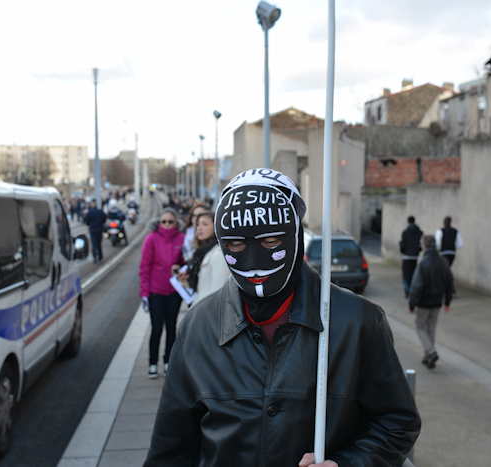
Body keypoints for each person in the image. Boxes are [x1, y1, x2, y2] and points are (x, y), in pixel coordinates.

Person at [144, 168, 420, 467]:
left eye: (271, 242)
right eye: (236, 244)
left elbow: (397, 421)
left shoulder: (358, 321)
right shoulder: (199, 327)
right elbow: (170, 449)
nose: (253, 262)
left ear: (296, 237)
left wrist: (349, 463)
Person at [139, 208, 185, 379]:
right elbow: (144, 267)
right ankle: (152, 363)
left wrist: (180, 268)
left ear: (176, 223)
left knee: (172, 327)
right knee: (157, 328)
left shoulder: (181, 239)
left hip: (174, 291)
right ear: (159, 223)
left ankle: (168, 361)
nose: (166, 225)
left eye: (170, 222)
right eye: (163, 222)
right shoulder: (151, 239)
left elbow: (186, 262)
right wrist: (144, 292)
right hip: (155, 292)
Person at [408, 235, 455, 369]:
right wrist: (447, 301)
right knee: (431, 328)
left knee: (420, 326)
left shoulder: (423, 264)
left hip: (424, 302)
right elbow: (449, 282)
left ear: (424, 246)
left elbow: (416, 286)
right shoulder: (443, 262)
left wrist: (412, 303)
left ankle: (431, 351)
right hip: (437, 302)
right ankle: (428, 357)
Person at [183, 211, 230, 305]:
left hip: (210, 311)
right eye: (197, 224)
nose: (199, 228)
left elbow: (218, 292)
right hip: (200, 306)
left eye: (205, 224)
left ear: (216, 226)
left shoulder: (219, 253)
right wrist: (185, 282)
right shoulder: (201, 252)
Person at [399, 215, 423, 298]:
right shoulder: (419, 232)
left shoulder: (405, 232)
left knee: (406, 275)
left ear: (408, 222)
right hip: (415, 257)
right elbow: (420, 245)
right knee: (413, 275)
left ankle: (407, 292)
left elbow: (402, 246)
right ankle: (413, 291)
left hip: (406, 257)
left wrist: (402, 249)